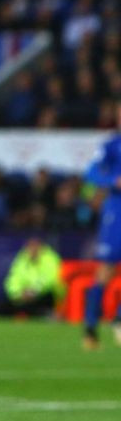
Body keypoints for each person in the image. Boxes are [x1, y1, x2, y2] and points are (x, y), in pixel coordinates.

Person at [82, 99, 121, 349]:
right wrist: (112, 180)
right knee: (106, 270)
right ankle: (90, 328)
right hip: (116, 213)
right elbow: (91, 172)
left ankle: (118, 319)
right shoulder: (111, 145)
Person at [3, 236, 64, 318]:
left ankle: (51, 314)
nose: (32, 250)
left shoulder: (50, 258)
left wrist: (33, 291)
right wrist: (18, 293)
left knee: (47, 297)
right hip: (26, 296)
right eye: (30, 247)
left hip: (47, 295)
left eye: (35, 247)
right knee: (14, 301)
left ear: (41, 248)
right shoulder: (22, 258)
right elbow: (13, 278)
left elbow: (49, 278)